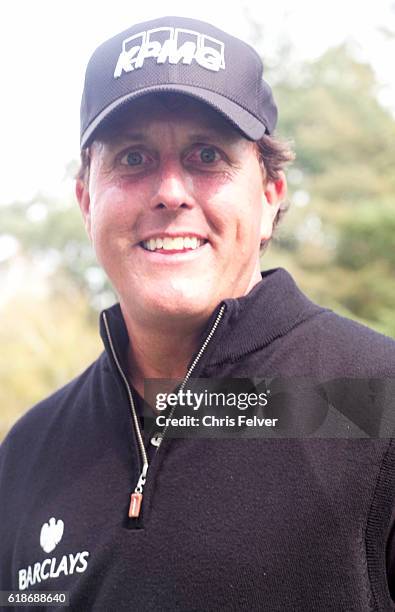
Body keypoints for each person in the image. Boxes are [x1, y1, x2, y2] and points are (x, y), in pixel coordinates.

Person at [1, 15, 395, 611]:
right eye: (132, 159)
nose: (170, 191)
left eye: (206, 155)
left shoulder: (373, 402)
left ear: (268, 197)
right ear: (86, 202)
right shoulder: (28, 453)